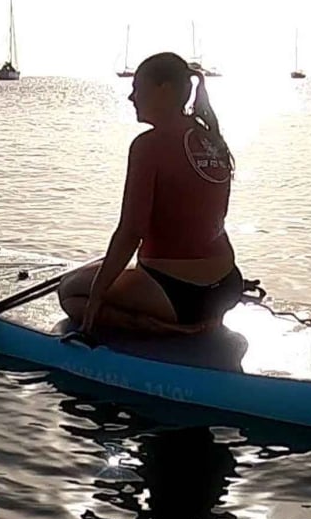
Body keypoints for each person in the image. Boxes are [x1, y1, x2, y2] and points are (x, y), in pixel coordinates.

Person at [58, 52, 243, 336]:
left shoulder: (148, 146)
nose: (131, 98)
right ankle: (201, 318)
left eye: (137, 89)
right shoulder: (211, 138)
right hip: (227, 285)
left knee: (70, 291)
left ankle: (163, 327)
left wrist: (97, 295)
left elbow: (131, 231)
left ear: (164, 90)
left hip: (179, 294)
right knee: (103, 270)